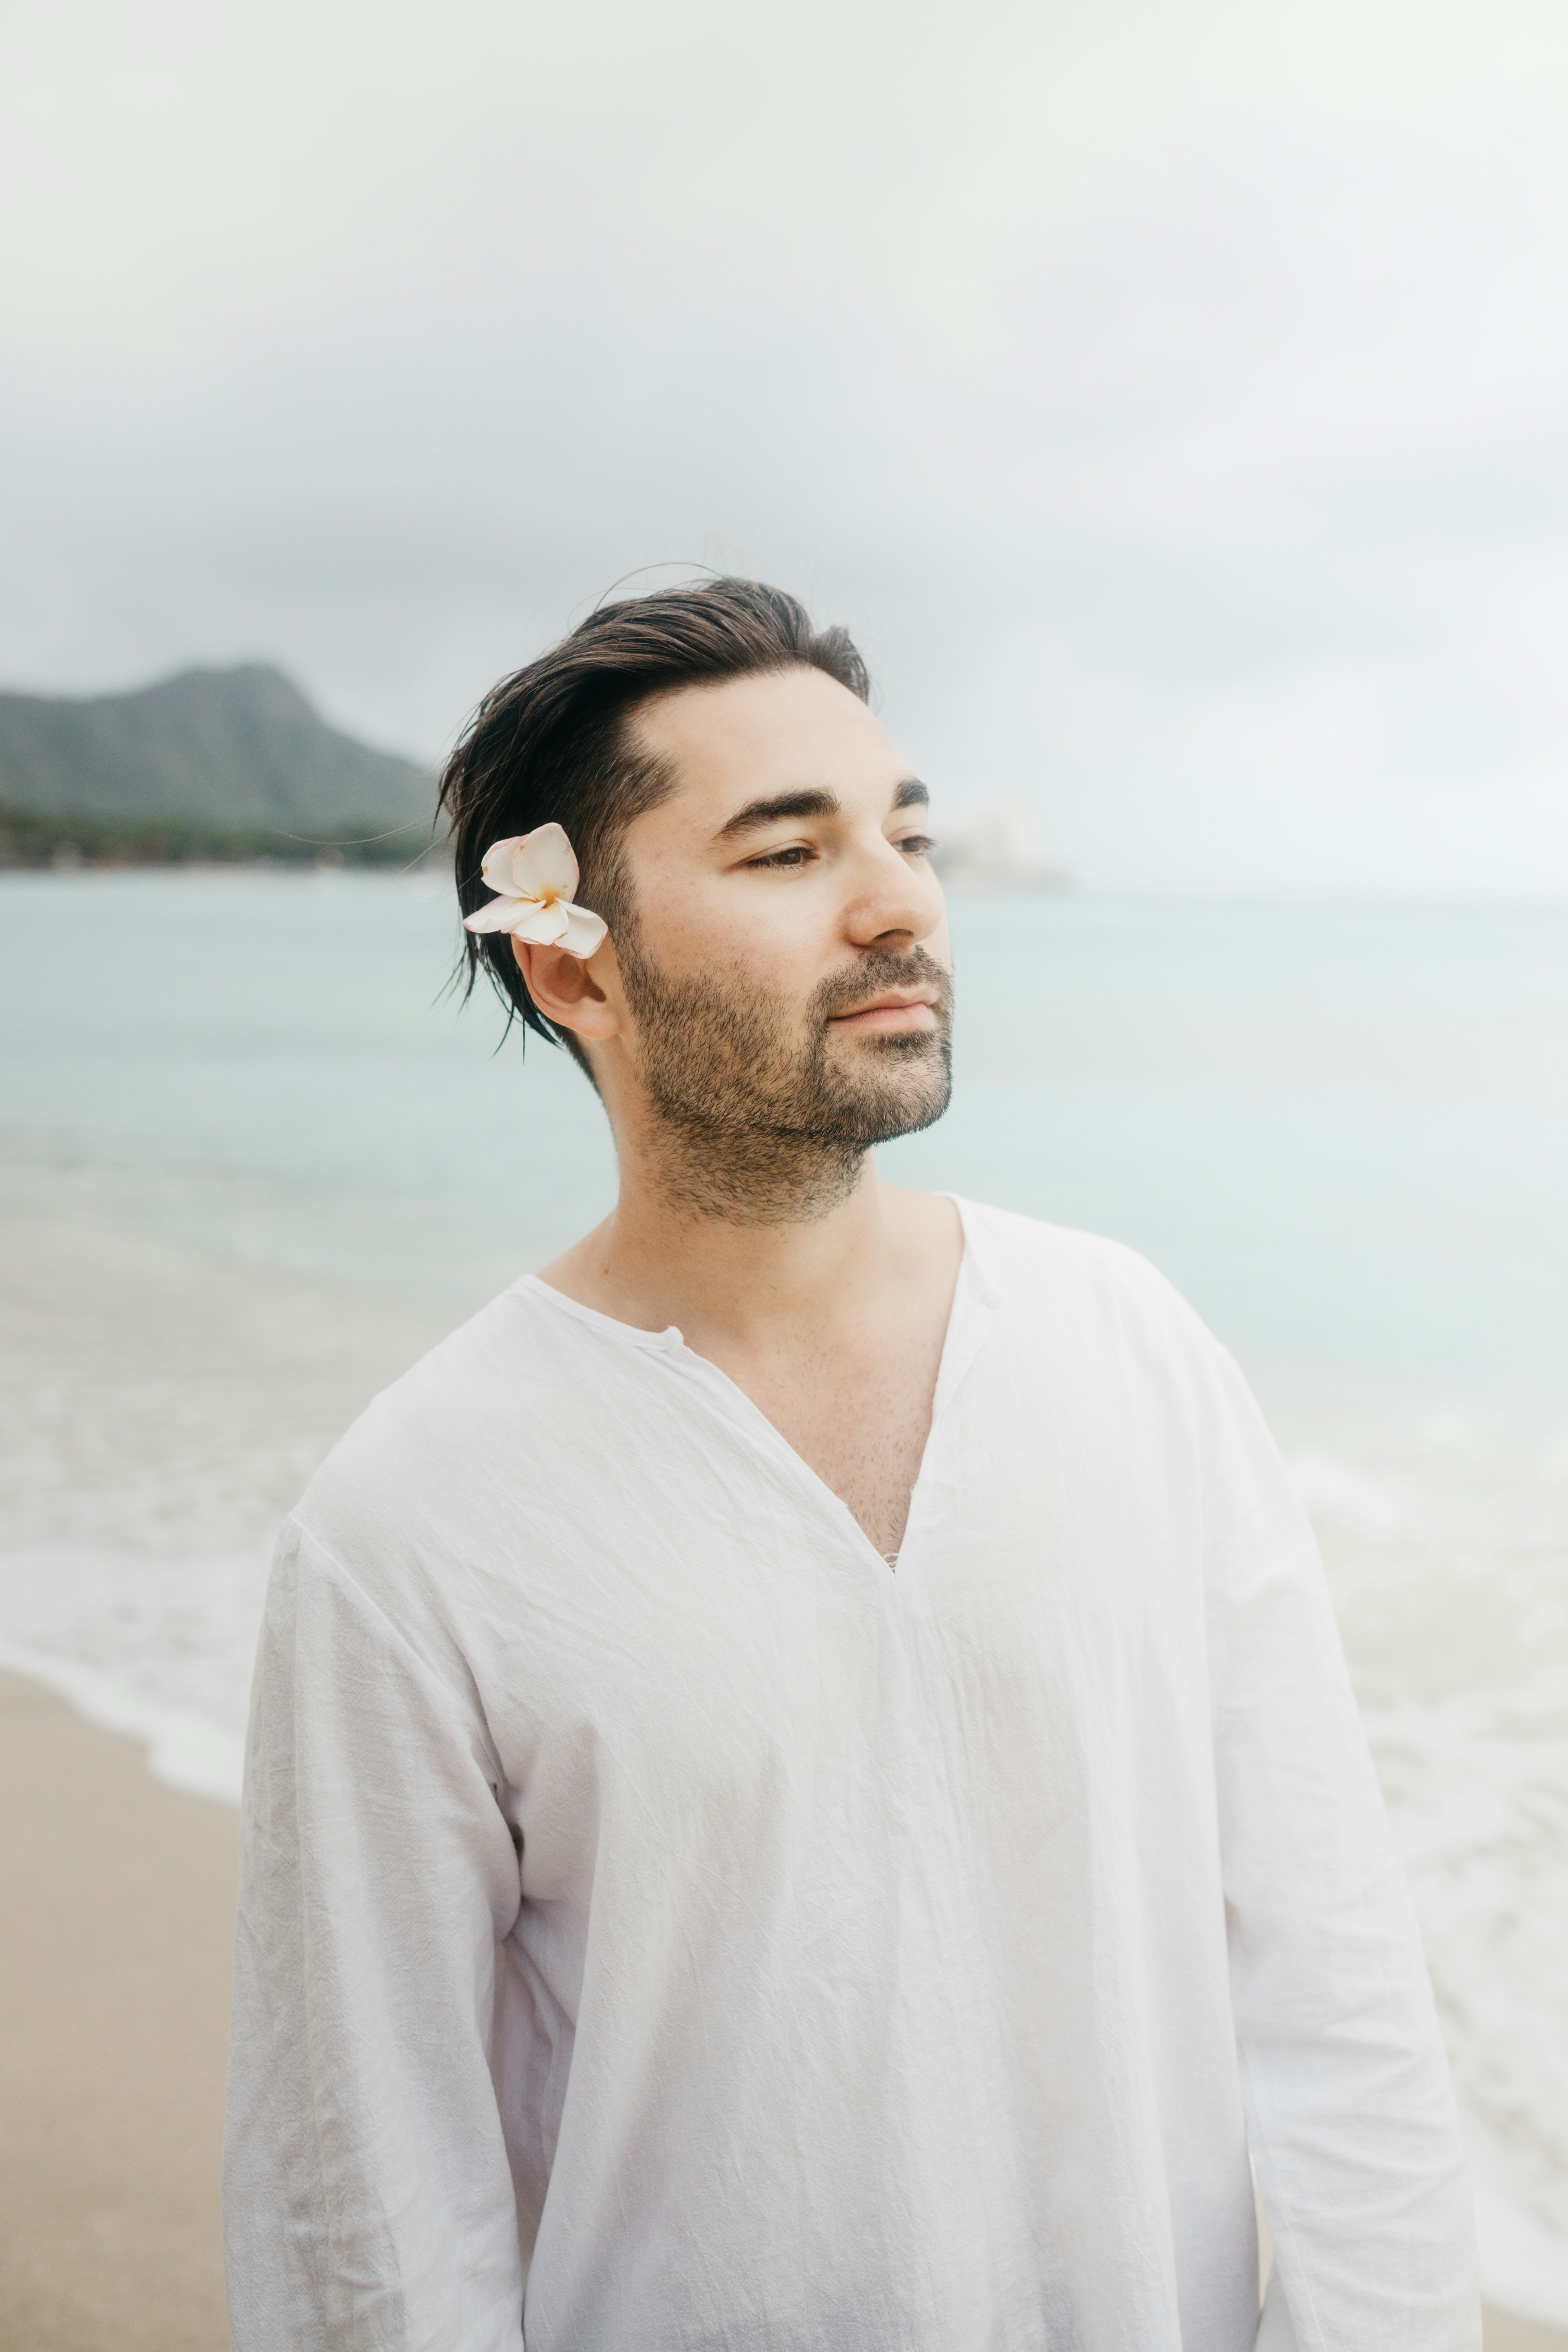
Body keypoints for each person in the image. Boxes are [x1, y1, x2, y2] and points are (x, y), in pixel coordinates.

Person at [223, 579, 1480, 2352]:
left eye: (906, 832)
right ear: (574, 960)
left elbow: (1336, 1979)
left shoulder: (1127, 1348)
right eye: (785, 854)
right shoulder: (412, 1523)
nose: (900, 905)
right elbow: (364, 2203)